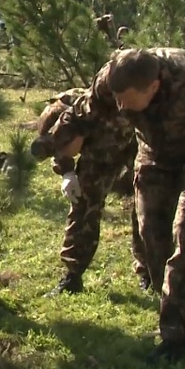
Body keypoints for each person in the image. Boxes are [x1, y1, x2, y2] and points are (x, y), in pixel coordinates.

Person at [46, 48, 185, 364]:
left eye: (127, 99)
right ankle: (168, 296)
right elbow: (80, 116)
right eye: (116, 98)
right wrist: (49, 151)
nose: (120, 106)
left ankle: (178, 337)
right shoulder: (113, 79)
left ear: (153, 87)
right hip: (154, 153)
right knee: (151, 232)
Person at [30, 89, 151, 296]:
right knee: (83, 205)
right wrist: (67, 172)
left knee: (146, 205)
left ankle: (150, 273)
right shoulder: (57, 119)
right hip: (97, 154)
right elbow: (61, 144)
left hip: (138, 141)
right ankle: (73, 276)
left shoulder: (88, 106)